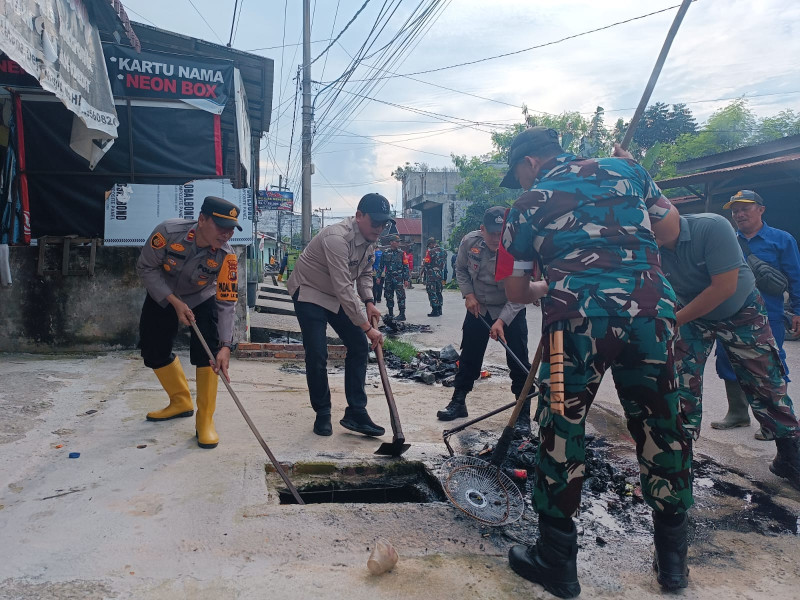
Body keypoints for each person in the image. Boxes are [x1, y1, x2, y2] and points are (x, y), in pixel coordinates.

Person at [498, 128, 693, 597]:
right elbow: (671, 231)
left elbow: (516, 291)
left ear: (529, 163)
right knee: (662, 425)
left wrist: (551, 286)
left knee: (562, 429)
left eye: (518, 173)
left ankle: (557, 563)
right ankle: (673, 565)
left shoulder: (526, 204)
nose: (520, 181)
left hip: (577, 321)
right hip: (652, 314)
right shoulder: (629, 170)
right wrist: (634, 172)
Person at [654, 210, 800, 491]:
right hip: (689, 314)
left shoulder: (711, 227)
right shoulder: (647, 244)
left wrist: (674, 320)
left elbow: (723, 288)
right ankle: (678, 456)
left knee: (765, 381)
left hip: (741, 311)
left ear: (670, 213)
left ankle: (790, 456)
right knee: (678, 381)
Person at [136, 195, 241, 450]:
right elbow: (146, 267)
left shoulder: (227, 257)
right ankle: (180, 401)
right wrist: (174, 302)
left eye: (231, 229)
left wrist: (225, 345)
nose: (227, 234)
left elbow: (227, 302)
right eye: (221, 226)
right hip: (164, 295)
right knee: (152, 350)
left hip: (201, 297)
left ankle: (205, 420)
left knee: (209, 355)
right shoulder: (168, 232)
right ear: (202, 219)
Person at [287, 193, 389, 438]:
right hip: (309, 291)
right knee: (317, 352)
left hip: (335, 294)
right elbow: (344, 287)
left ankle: (356, 411)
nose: (379, 228)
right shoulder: (336, 238)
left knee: (359, 346)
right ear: (359, 215)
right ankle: (322, 412)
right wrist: (367, 328)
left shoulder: (370, 241)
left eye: (383, 223)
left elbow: (365, 274)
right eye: (375, 222)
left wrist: (369, 301)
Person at [437, 207, 533, 438]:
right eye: (491, 233)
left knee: (518, 361)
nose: (496, 239)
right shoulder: (470, 242)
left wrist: (502, 321)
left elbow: (521, 292)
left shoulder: (519, 249)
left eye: (500, 234)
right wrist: (468, 295)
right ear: (482, 229)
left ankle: (522, 414)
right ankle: (458, 402)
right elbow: (461, 269)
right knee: (469, 356)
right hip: (479, 306)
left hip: (510, 308)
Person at [711, 190, 800, 438]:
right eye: (735, 210)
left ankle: (775, 421)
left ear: (761, 209)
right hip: (730, 312)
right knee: (727, 359)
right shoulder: (727, 240)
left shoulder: (782, 240)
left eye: (745, 208)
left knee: (771, 364)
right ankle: (738, 413)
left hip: (769, 314)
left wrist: (797, 310)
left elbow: (795, 277)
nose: (739, 214)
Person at [382, 234, 410, 321]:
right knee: (388, 296)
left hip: (399, 278)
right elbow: (381, 266)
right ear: (391, 242)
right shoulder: (385, 253)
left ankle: (402, 314)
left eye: (399, 242)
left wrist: (406, 279)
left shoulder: (402, 253)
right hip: (388, 278)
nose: (398, 243)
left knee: (401, 296)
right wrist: (378, 277)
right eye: (396, 241)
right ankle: (391, 314)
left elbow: (406, 266)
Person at [422, 237, 447, 317]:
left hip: (431, 275)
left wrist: (424, 264)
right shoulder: (444, 251)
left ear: (431, 244)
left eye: (429, 245)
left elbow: (426, 263)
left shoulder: (430, 252)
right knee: (439, 292)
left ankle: (435, 310)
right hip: (440, 275)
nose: (429, 247)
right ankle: (440, 309)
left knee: (432, 292)